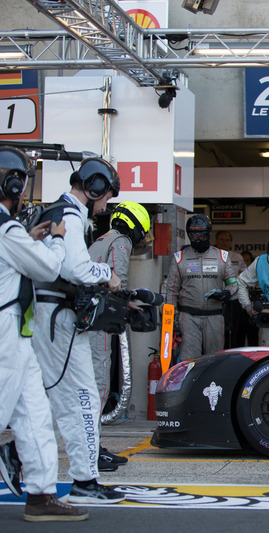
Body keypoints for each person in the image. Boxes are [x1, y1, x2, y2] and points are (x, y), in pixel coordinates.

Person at [0, 146, 88, 521]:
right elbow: (50, 267)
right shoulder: (5, 228)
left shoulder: (10, 229)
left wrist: (32, 239)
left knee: (34, 415)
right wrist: (55, 237)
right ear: (13, 182)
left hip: (17, 331)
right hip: (5, 330)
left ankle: (40, 495)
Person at [31, 157, 124, 505]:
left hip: (49, 317)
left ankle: (76, 475)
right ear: (95, 186)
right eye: (106, 196)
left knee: (57, 400)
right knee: (83, 397)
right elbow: (74, 267)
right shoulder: (69, 215)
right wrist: (107, 275)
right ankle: (85, 481)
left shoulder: (54, 211)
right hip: (59, 318)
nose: (105, 204)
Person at [87, 201, 150, 472]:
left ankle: (91, 447)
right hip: (99, 321)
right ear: (135, 226)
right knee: (98, 386)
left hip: (84, 320)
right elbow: (116, 283)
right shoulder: (121, 241)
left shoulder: (99, 240)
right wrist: (130, 306)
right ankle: (92, 452)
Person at [165, 214, 238, 362]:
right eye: (194, 234)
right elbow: (171, 291)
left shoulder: (222, 256)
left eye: (202, 234)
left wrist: (226, 293)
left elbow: (234, 284)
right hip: (188, 317)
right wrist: (171, 322)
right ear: (189, 234)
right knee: (189, 362)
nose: (198, 238)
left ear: (208, 234)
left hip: (215, 316)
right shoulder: (179, 257)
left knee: (215, 360)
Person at [214, 230, 247, 348]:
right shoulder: (211, 256)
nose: (224, 242)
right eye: (221, 239)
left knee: (234, 331)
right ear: (216, 241)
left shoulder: (237, 257)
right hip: (216, 300)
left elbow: (245, 276)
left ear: (231, 242)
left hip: (233, 300)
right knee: (216, 332)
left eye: (227, 240)